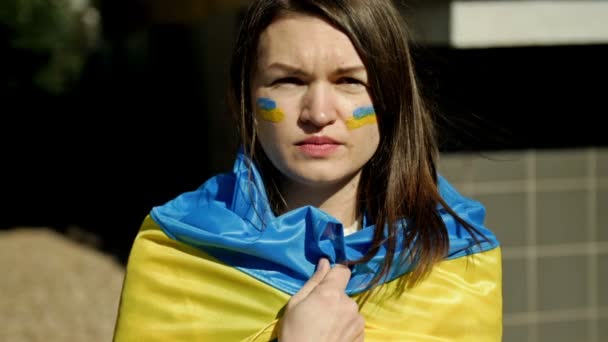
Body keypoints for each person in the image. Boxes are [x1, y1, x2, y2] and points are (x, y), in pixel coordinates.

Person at [113, 0, 502, 341]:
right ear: (243, 100)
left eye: (349, 81)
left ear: (393, 99)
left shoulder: (456, 261)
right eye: (289, 80)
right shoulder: (180, 252)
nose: (317, 113)